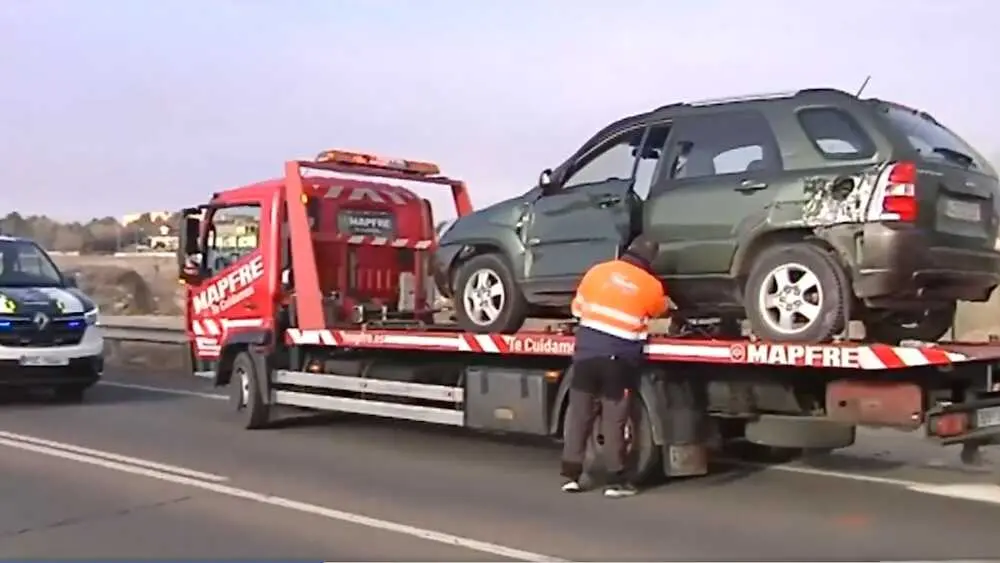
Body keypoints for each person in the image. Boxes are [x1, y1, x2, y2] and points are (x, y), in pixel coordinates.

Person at [560, 235, 668, 498]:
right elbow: (660, 311)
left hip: (585, 355)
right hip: (617, 360)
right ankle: (617, 481)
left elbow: (578, 308)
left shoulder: (598, 271)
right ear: (650, 261)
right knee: (614, 419)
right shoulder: (650, 285)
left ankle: (572, 476)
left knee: (580, 415)